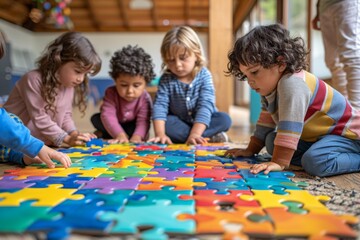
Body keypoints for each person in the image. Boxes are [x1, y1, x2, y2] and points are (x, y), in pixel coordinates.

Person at [224, 23, 360, 177]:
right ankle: (312, 158)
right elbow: (266, 121)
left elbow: (290, 126)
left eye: (254, 72)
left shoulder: (292, 84)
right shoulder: (270, 88)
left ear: (281, 63)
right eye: (246, 75)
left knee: (314, 161)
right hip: (317, 138)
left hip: (346, 136)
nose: (250, 81)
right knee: (271, 141)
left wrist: (279, 161)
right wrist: (251, 149)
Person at [3, 31, 102, 147]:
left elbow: (66, 115)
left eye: (85, 74)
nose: (81, 79)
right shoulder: (33, 79)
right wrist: (66, 138)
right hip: (12, 141)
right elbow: (40, 117)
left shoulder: (69, 84)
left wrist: (74, 134)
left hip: (40, 144)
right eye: (78, 71)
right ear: (59, 61)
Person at [149, 26, 232, 145]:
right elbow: (160, 106)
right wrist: (160, 134)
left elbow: (205, 106)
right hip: (180, 122)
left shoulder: (204, 75)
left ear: (196, 55)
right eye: (171, 60)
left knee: (224, 119)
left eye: (183, 58)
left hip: (205, 121)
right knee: (167, 124)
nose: (177, 65)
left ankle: (194, 137)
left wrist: (196, 133)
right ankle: (208, 137)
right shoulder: (166, 79)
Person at [0, 30, 71, 168]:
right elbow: (39, 117)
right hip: (26, 136)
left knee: (11, 121)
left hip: (17, 141)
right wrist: (36, 146)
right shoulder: (33, 78)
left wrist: (25, 157)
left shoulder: (68, 88)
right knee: (11, 121)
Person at [91, 45, 155, 143]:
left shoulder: (145, 98)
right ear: (115, 81)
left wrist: (137, 137)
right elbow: (108, 115)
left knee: (139, 130)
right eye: (124, 85)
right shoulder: (111, 92)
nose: (130, 91)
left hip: (132, 125)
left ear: (146, 83)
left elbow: (143, 121)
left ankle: (109, 134)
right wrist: (119, 134)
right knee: (96, 119)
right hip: (114, 123)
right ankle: (108, 133)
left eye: (136, 85)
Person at [312, 0, 360, 109]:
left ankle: (357, 111)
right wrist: (318, 8)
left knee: (351, 57)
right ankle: (345, 110)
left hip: (347, 3)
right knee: (332, 61)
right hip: (325, 5)